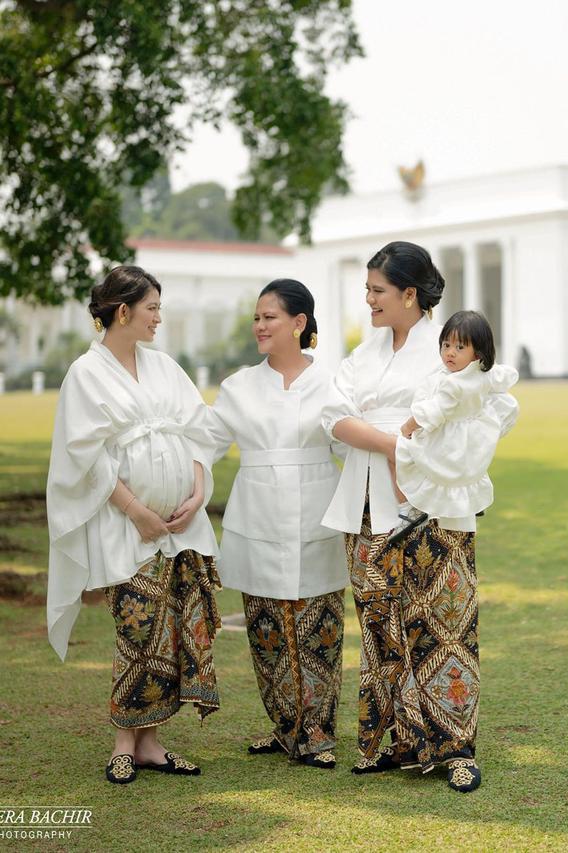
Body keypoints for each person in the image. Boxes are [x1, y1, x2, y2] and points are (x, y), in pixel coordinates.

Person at [321, 241, 518, 792]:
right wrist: (393, 444)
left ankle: (455, 747)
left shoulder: (450, 345)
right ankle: (402, 742)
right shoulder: (366, 352)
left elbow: (493, 410)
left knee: (444, 623)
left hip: (433, 505)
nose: (368, 300)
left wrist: (429, 457)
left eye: (377, 290)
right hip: (364, 501)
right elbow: (332, 415)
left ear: (410, 293)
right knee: (381, 623)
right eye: (366, 289)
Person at [47, 266, 221, 785]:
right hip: (128, 526)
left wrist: (195, 495)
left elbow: (199, 430)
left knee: (173, 630)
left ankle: (151, 743)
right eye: (152, 309)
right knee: (138, 629)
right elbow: (86, 454)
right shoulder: (85, 373)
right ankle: (125, 741)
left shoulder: (164, 366)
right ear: (122, 311)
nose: (158, 319)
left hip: (179, 528)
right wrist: (136, 510)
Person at [208, 279, 348, 769]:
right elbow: (202, 446)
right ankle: (285, 726)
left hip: (318, 515)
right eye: (256, 317)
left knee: (319, 627)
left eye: (269, 317)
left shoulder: (333, 383)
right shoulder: (238, 386)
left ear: (299, 323)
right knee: (266, 630)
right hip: (257, 517)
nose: (260, 326)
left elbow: (351, 448)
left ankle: (317, 731)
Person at [389, 310, 519, 544]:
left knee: (408, 455)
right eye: (446, 345)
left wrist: (409, 426)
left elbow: (435, 410)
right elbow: (504, 376)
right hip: (474, 437)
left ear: (477, 352)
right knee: (467, 475)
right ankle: (470, 504)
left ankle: (410, 509)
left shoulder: (455, 385)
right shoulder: (483, 372)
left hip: (451, 438)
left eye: (460, 348)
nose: (450, 352)